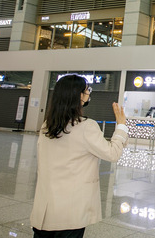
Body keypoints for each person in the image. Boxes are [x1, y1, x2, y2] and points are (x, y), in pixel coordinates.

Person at [30, 74, 128, 238]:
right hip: (70, 212)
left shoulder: (47, 125)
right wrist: (122, 127)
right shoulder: (86, 126)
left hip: (45, 210)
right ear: (79, 96)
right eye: (87, 90)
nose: (89, 93)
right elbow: (112, 153)